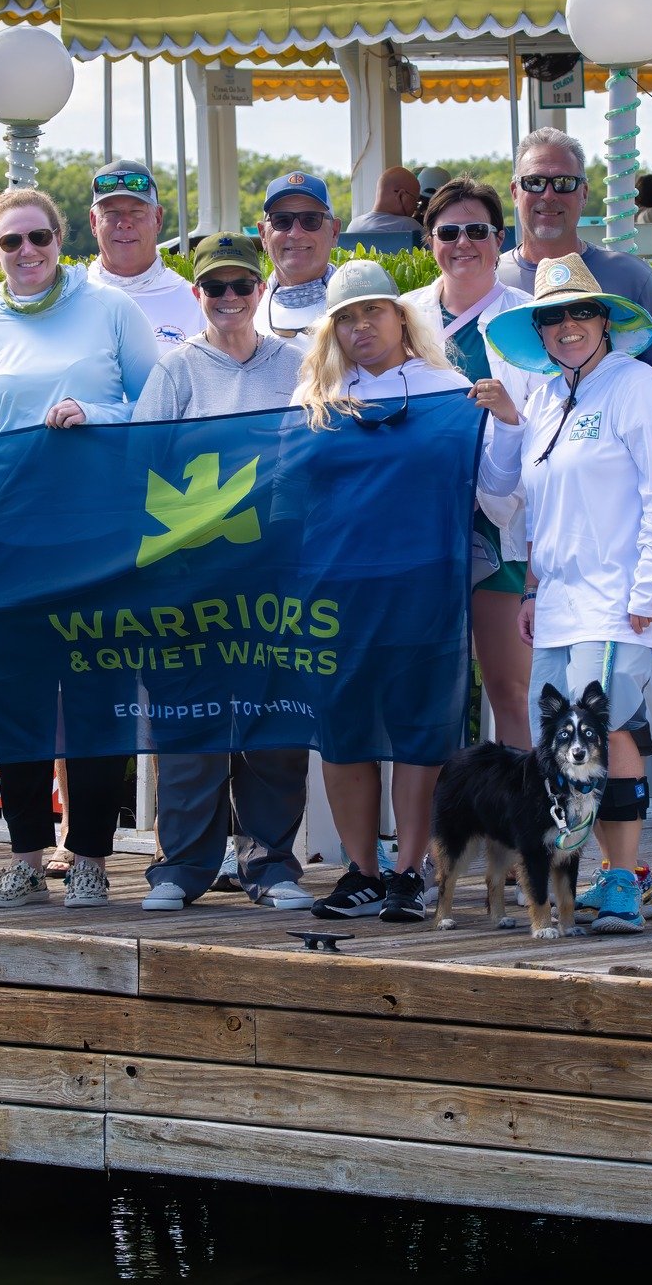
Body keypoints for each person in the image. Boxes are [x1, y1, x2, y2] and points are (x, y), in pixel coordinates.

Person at [0, 187, 161, 909]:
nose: (27, 252)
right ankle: (25, 859)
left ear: (61, 240)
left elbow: (157, 414)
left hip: (99, 541)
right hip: (9, 546)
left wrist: (99, 413)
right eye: (11, 242)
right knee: (17, 706)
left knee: (97, 700)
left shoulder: (112, 309)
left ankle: (89, 858)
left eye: (39, 238)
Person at [478, 253, 652, 933]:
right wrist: (532, 584)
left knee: (608, 729)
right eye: (553, 316)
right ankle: (619, 874)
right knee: (565, 741)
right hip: (561, 603)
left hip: (620, 600)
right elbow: (522, 502)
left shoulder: (639, 387)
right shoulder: (541, 399)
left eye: (581, 311)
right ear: (538, 330)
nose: (568, 325)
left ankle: (624, 880)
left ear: (605, 319)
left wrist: (650, 591)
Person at [131, 233, 311, 913]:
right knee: (190, 721)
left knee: (272, 722)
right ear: (198, 294)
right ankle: (182, 866)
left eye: (241, 286)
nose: (229, 299)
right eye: (214, 288)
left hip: (272, 573)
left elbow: (315, 460)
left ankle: (269, 864)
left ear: (260, 289)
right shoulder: (175, 371)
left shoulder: (296, 365)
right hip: (190, 577)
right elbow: (138, 465)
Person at [291, 260, 469, 923]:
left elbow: (500, 482)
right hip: (331, 591)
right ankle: (359, 872)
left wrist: (504, 420)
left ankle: (408, 870)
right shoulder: (313, 396)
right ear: (331, 330)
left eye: (373, 310)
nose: (361, 325)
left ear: (401, 315)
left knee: (421, 730)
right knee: (342, 732)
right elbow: (282, 493)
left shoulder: (447, 388)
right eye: (346, 316)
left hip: (425, 584)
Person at [400, 178, 543, 753]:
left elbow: (549, 421)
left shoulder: (529, 320)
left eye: (477, 231)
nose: (464, 243)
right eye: (449, 231)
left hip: (503, 523)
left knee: (511, 687)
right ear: (430, 241)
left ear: (498, 238)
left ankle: (527, 835)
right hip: (419, 529)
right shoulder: (401, 316)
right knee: (430, 689)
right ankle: (439, 837)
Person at [496, 127, 652, 393]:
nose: (548, 195)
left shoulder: (631, 276)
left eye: (564, 183)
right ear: (515, 192)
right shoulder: (491, 280)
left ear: (584, 193)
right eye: (534, 182)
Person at [84, 158, 206, 354]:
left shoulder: (194, 302)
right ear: (93, 222)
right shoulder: (69, 299)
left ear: (158, 219)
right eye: (112, 213)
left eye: (136, 212)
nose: (124, 223)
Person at [254, 171, 339, 340]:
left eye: (311, 219)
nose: (295, 233)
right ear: (263, 235)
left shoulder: (359, 305)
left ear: (334, 232)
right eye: (281, 220)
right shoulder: (245, 311)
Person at [344, 166, 426, 239]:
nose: (416, 207)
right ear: (401, 195)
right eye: (415, 200)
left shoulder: (353, 226)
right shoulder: (409, 226)